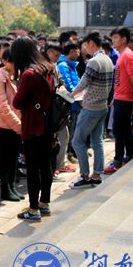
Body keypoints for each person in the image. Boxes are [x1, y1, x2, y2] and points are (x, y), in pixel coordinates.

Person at [11, 36, 55, 222]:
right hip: (48, 124)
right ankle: (44, 203)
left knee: (32, 168)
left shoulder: (29, 74)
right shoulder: (48, 67)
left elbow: (17, 102)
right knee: (46, 165)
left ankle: (33, 209)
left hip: (33, 126)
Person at [69, 32, 114, 188]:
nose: (83, 48)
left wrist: (69, 95)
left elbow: (83, 83)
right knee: (97, 142)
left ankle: (85, 176)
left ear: (90, 43)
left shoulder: (94, 62)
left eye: (84, 45)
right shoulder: (107, 59)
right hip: (102, 106)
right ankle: (96, 175)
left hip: (91, 107)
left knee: (77, 141)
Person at [105, 27, 133, 174]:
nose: (113, 41)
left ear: (124, 39)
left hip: (125, 98)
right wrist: (115, 96)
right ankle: (130, 154)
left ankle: (118, 160)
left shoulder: (127, 55)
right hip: (120, 96)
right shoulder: (123, 54)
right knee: (125, 128)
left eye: (115, 38)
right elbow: (121, 78)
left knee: (118, 130)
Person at [0, 49, 23, 201]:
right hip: (5, 125)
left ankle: (12, 186)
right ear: (4, 61)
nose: (14, 63)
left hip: (18, 124)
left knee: (14, 158)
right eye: (11, 60)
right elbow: (2, 106)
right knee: (5, 159)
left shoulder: (18, 75)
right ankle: (5, 188)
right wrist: (18, 125)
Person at [55, 43, 81, 174]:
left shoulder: (71, 65)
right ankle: (63, 159)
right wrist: (78, 97)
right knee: (67, 133)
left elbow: (77, 82)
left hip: (76, 102)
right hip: (70, 103)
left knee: (71, 132)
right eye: (77, 50)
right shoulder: (63, 66)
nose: (79, 53)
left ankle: (66, 158)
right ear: (71, 51)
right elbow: (69, 85)